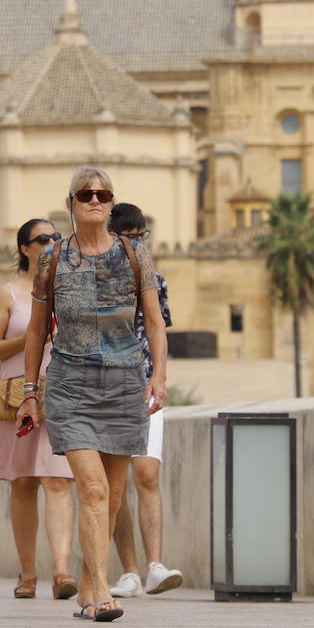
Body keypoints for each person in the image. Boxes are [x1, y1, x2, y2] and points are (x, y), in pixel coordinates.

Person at [20, 166, 167, 622]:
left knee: (114, 497)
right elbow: (37, 329)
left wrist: (158, 376)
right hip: (71, 383)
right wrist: (30, 391)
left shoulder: (135, 253)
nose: (95, 201)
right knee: (94, 488)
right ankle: (102, 593)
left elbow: (155, 321)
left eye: (103, 194)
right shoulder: (52, 259)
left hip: (124, 383)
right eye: (85, 194)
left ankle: (87, 581)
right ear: (70, 204)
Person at [0, 219, 76, 600]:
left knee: (59, 479)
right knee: (22, 481)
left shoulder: (69, 289)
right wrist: (28, 338)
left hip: (63, 393)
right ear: (25, 249)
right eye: (42, 239)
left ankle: (63, 572)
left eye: (56, 237)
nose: (51, 243)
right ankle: (28, 574)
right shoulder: (8, 294)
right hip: (19, 397)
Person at [105, 203, 183, 599]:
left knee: (147, 475)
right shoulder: (96, 280)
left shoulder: (156, 280)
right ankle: (129, 571)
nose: (138, 244)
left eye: (142, 236)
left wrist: (161, 377)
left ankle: (154, 565)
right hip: (108, 388)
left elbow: (158, 330)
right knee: (115, 484)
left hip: (146, 388)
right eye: (130, 237)